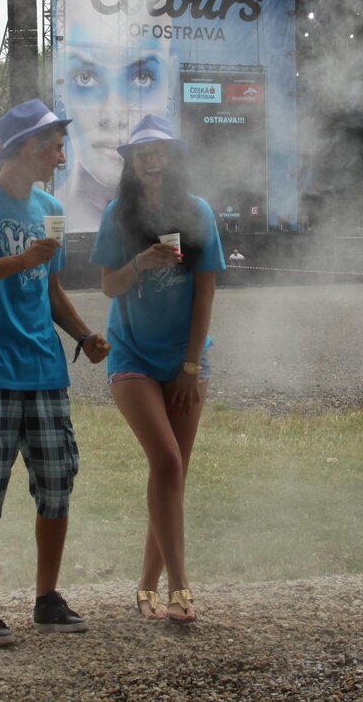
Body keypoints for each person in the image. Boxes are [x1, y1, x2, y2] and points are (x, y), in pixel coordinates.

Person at [0, 98, 110, 648]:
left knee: (57, 486)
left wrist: (83, 335)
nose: (62, 156)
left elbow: (50, 288)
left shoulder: (49, 206)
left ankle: (47, 599)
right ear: (29, 147)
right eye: (56, 146)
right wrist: (20, 260)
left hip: (46, 373)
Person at [90, 115, 225, 625]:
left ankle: (146, 585)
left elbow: (205, 291)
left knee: (171, 474)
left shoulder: (197, 212)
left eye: (159, 151)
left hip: (187, 359)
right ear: (130, 163)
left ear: (173, 158)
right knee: (167, 462)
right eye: (141, 153)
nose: (151, 160)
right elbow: (109, 286)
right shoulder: (117, 215)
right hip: (132, 355)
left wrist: (191, 365)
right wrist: (139, 264)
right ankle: (180, 588)